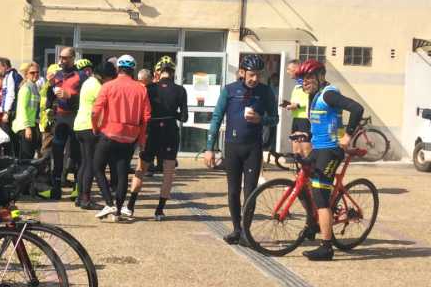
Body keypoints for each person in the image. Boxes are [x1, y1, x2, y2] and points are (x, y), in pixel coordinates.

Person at [204, 54, 278, 244]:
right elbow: (216, 117)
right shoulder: (230, 90)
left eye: (259, 75)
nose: (255, 79)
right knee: (233, 191)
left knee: (250, 191)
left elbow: (275, 119)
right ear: (242, 73)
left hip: (253, 147)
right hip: (232, 146)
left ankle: (246, 232)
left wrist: (261, 119)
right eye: (251, 74)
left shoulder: (266, 91)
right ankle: (236, 229)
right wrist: (209, 148)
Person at [298, 59, 365, 261]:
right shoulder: (314, 95)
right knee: (300, 185)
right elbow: (325, 123)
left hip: (331, 151)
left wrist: (348, 135)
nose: (304, 82)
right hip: (319, 148)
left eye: (308, 78)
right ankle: (312, 223)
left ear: (320, 77)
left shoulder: (328, 94)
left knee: (320, 196)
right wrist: (305, 135)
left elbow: (357, 108)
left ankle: (326, 248)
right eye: (302, 79)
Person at [127, 55, 187, 220]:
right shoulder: (180, 90)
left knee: (141, 169)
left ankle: (130, 206)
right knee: (168, 173)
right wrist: (172, 113)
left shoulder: (149, 89)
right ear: (173, 72)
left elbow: (142, 112)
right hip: (170, 132)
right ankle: (159, 210)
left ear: (158, 72)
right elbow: (184, 117)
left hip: (151, 131)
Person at [92, 55, 151, 221]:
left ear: (118, 69)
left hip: (109, 132)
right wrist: (141, 140)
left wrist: (96, 128)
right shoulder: (141, 89)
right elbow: (146, 118)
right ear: (133, 70)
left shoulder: (108, 86)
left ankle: (109, 203)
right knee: (122, 172)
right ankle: (118, 210)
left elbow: (95, 111)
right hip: (129, 136)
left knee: (97, 167)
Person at [47, 47, 86, 200]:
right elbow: (51, 96)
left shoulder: (81, 75)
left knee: (76, 154)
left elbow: (85, 98)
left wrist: (70, 95)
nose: (61, 60)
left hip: (75, 117)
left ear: (72, 58)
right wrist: (50, 88)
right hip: (60, 118)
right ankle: (55, 189)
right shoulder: (57, 74)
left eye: (65, 58)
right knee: (57, 153)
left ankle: (77, 188)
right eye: (60, 57)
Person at [73, 58, 103, 210]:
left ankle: (79, 197)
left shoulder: (87, 82)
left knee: (84, 163)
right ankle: (86, 198)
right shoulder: (97, 85)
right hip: (89, 126)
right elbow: (102, 106)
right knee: (90, 163)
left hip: (79, 125)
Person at [13, 62, 42, 161]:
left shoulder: (34, 87)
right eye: (32, 73)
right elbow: (22, 109)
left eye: (37, 72)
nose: (35, 74)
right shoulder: (26, 88)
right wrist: (27, 127)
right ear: (26, 74)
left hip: (32, 125)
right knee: (26, 157)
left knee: (30, 155)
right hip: (25, 127)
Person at [282, 60, 312, 158]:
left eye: (289, 69)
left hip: (305, 120)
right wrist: (289, 104)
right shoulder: (297, 85)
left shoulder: (307, 83)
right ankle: (300, 167)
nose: (287, 71)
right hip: (296, 119)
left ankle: (310, 167)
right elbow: (296, 101)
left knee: (305, 150)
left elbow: (311, 100)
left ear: (297, 69)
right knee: (296, 150)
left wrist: (297, 105)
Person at [0, 57, 24, 156]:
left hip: (10, 112)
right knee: (11, 136)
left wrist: (6, 112)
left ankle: (10, 158)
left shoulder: (10, 75)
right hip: (10, 110)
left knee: (7, 136)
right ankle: (13, 157)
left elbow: (10, 95)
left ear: (5, 66)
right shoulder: (10, 75)